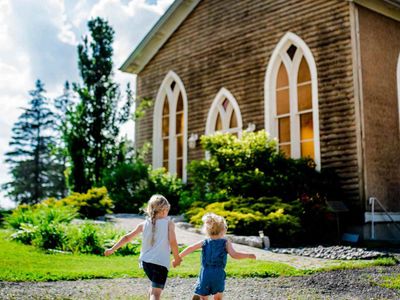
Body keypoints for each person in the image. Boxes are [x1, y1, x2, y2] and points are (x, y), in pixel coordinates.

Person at [104, 194, 181, 300]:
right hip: (160, 264)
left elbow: (127, 238)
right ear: (164, 210)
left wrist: (112, 249)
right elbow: (173, 241)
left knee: (153, 289)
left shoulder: (144, 224)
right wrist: (177, 258)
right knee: (156, 293)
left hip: (146, 263)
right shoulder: (169, 224)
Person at [174, 213, 256, 300]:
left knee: (204, 293)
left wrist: (178, 257)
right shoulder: (225, 242)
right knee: (218, 295)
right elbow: (234, 255)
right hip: (218, 273)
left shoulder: (204, 242)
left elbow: (191, 248)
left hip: (205, 272)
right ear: (222, 230)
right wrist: (248, 255)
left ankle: (201, 296)